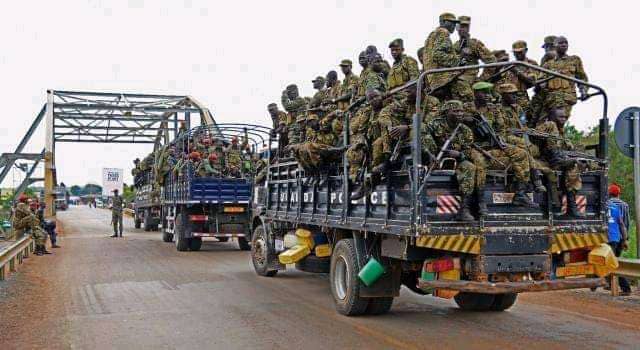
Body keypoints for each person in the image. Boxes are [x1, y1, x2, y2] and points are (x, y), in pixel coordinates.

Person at [423, 100, 481, 221]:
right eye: (455, 111)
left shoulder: (466, 131)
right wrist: (431, 155)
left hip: (456, 159)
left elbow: (468, 151)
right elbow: (423, 140)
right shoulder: (435, 124)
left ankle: (464, 209)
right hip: (435, 158)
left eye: (461, 111)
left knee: (469, 167)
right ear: (446, 112)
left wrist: (459, 154)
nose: (460, 114)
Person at [423, 12, 473, 102]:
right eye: (451, 22)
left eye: (455, 23)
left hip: (433, 79)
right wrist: (459, 60)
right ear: (443, 22)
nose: (454, 25)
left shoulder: (432, 35)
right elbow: (438, 55)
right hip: (442, 78)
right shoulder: (443, 33)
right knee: (467, 94)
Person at [542, 36, 588, 122]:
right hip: (551, 99)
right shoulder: (548, 64)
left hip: (566, 98)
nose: (564, 45)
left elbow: (582, 78)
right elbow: (541, 80)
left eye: (565, 43)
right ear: (555, 45)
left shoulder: (574, 60)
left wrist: (583, 91)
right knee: (548, 125)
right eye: (561, 43)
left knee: (559, 123)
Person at [453, 16, 495, 83]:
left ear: (468, 28)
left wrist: (482, 79)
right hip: (455, 77)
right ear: (457, 28)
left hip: (470, 78)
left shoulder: (475, 44)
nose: (462, 29)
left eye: (465, 26)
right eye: (460, 26)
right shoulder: (455, 46)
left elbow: (491, 61)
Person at [607, 183, 631, 295]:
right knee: (615, 260)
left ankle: (625, 287)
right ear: (618, 194)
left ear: (609, 193)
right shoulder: (624, 205)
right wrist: (626, 239)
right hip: (621, 237)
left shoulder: (606, 205)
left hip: (611, 236)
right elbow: (626, 223)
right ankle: (611, 284)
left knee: (613, 262)